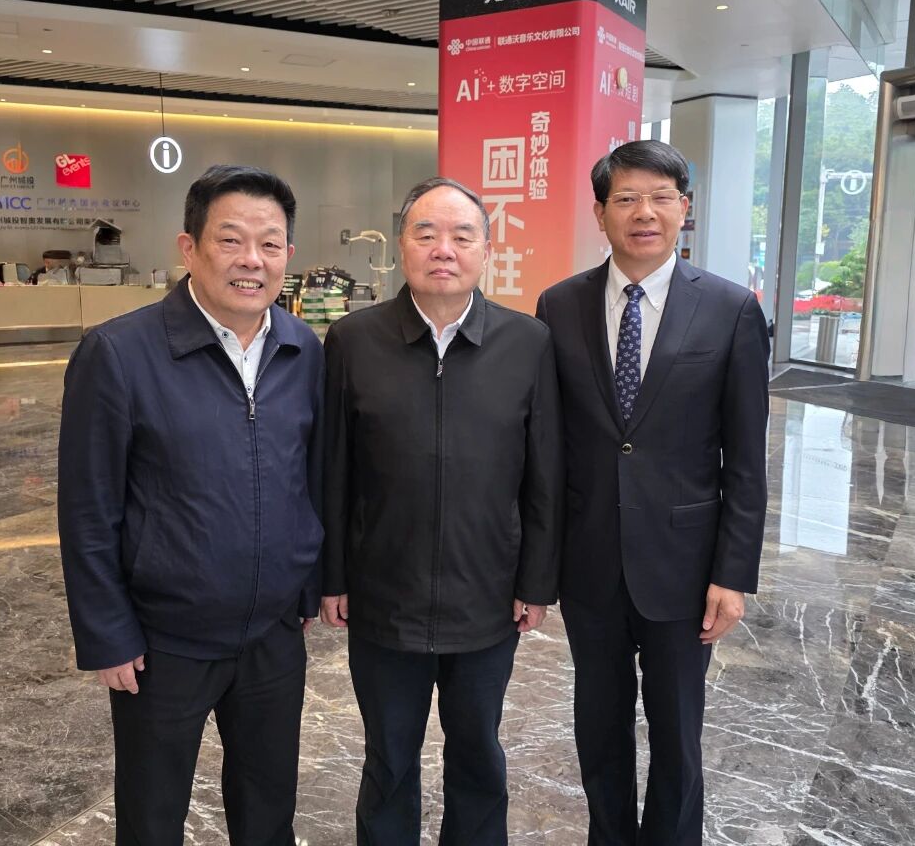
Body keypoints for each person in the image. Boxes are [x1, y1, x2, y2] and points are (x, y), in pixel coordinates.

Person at [57, 164, 324, 846]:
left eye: (269, 243)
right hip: (162, 643)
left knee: (268, 812)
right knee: (152, 817)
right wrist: (107, 633)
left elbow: (310, 478)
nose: (251, 260)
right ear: (190, 248)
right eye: (231, 240)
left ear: (288, 255)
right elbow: (88, 509)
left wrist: (305, 585)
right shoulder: (119, 353)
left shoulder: (303, 350)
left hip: (272, 637)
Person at [535, 140, 769, 846]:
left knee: (677, 734)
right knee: (597, 726)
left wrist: (733, 573)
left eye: (662, 198)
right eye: (628, 199)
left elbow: (746, 458)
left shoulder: (729, 309)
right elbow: (550, 446)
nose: (645, 213)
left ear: (684, 209)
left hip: (685, 567)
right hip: (591, 563)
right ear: (600, 212)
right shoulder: (559, 305)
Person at [320, 177, 563, 846]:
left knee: (478, 753)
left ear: (487, 249)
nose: (443, 250)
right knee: (389, 758)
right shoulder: (353, 340)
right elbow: (333, 468)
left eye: (462, 235)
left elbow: (545, 475)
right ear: (401, 246)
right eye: (425, 234)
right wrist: (332, 576)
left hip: (488, 597)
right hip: (383, 596)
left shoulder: (527, 342)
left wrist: (537, 580)